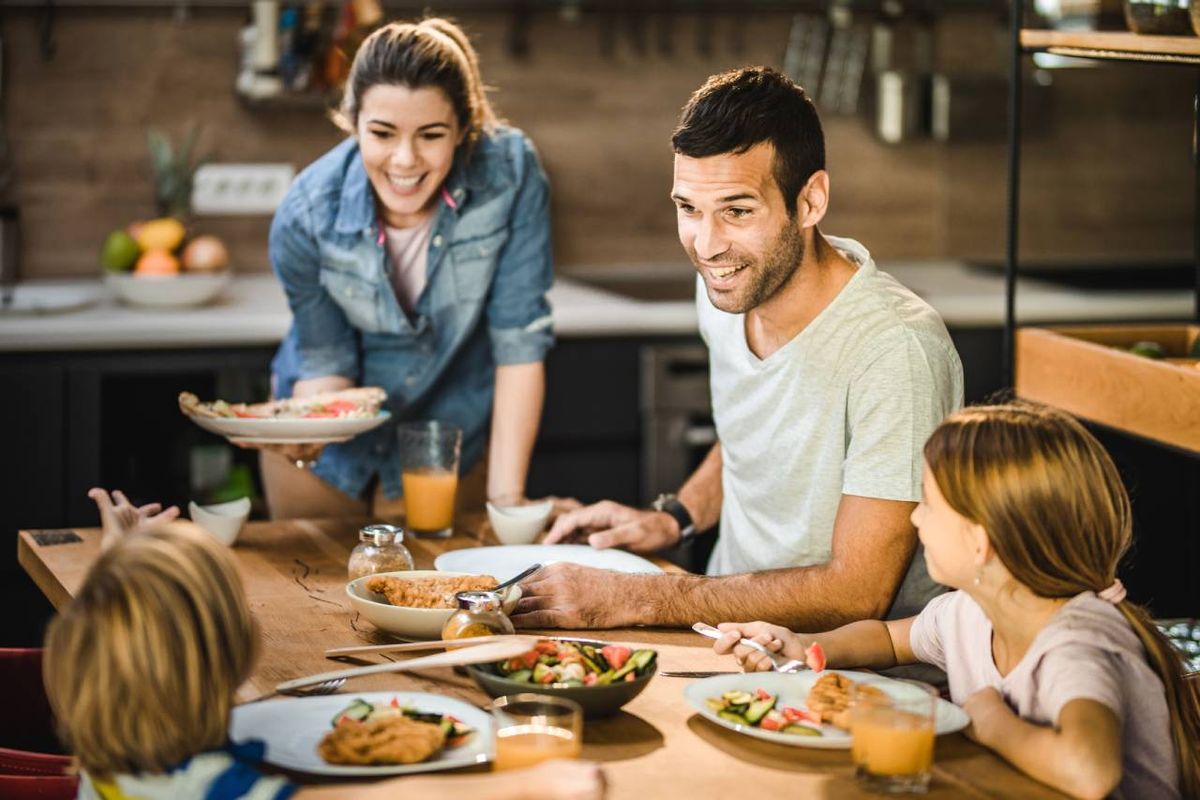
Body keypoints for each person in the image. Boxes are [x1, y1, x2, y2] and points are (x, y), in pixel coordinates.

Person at [517, 67, 962, 631]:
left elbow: (858, 593)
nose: (706, 245)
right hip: (725, 639)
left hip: (849, 679)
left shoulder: (896, 351)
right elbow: (751, 435)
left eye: (738, 210)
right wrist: (675, 517)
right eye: (689, 209)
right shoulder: (729, 286)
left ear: (811, 202)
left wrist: (645, 597)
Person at [712, 403, 1200, 800]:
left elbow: (1089, 773)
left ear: (979, 541)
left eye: (927, 502)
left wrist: (989, 721)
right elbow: (888, 637)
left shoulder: (1077, 642)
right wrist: (805, 646)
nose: (915, 520)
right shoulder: (971, 611)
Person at [44, 490, 605, 800]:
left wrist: (124, 560)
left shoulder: (114, 758)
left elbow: (127, 626)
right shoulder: (201, 788)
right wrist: (527, 786)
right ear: (230, 653)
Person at [260, 17, 554, 519]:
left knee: (435, 589)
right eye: (382, 132)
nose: (404, 159)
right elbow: (325, 357)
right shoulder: (306, 214)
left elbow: (519, 342)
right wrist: (310, 426)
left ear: (464, 128)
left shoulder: (509, 174)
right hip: (332, 458)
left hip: (445, 441)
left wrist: (508, 505)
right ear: (352, 122)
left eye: (431, 134)